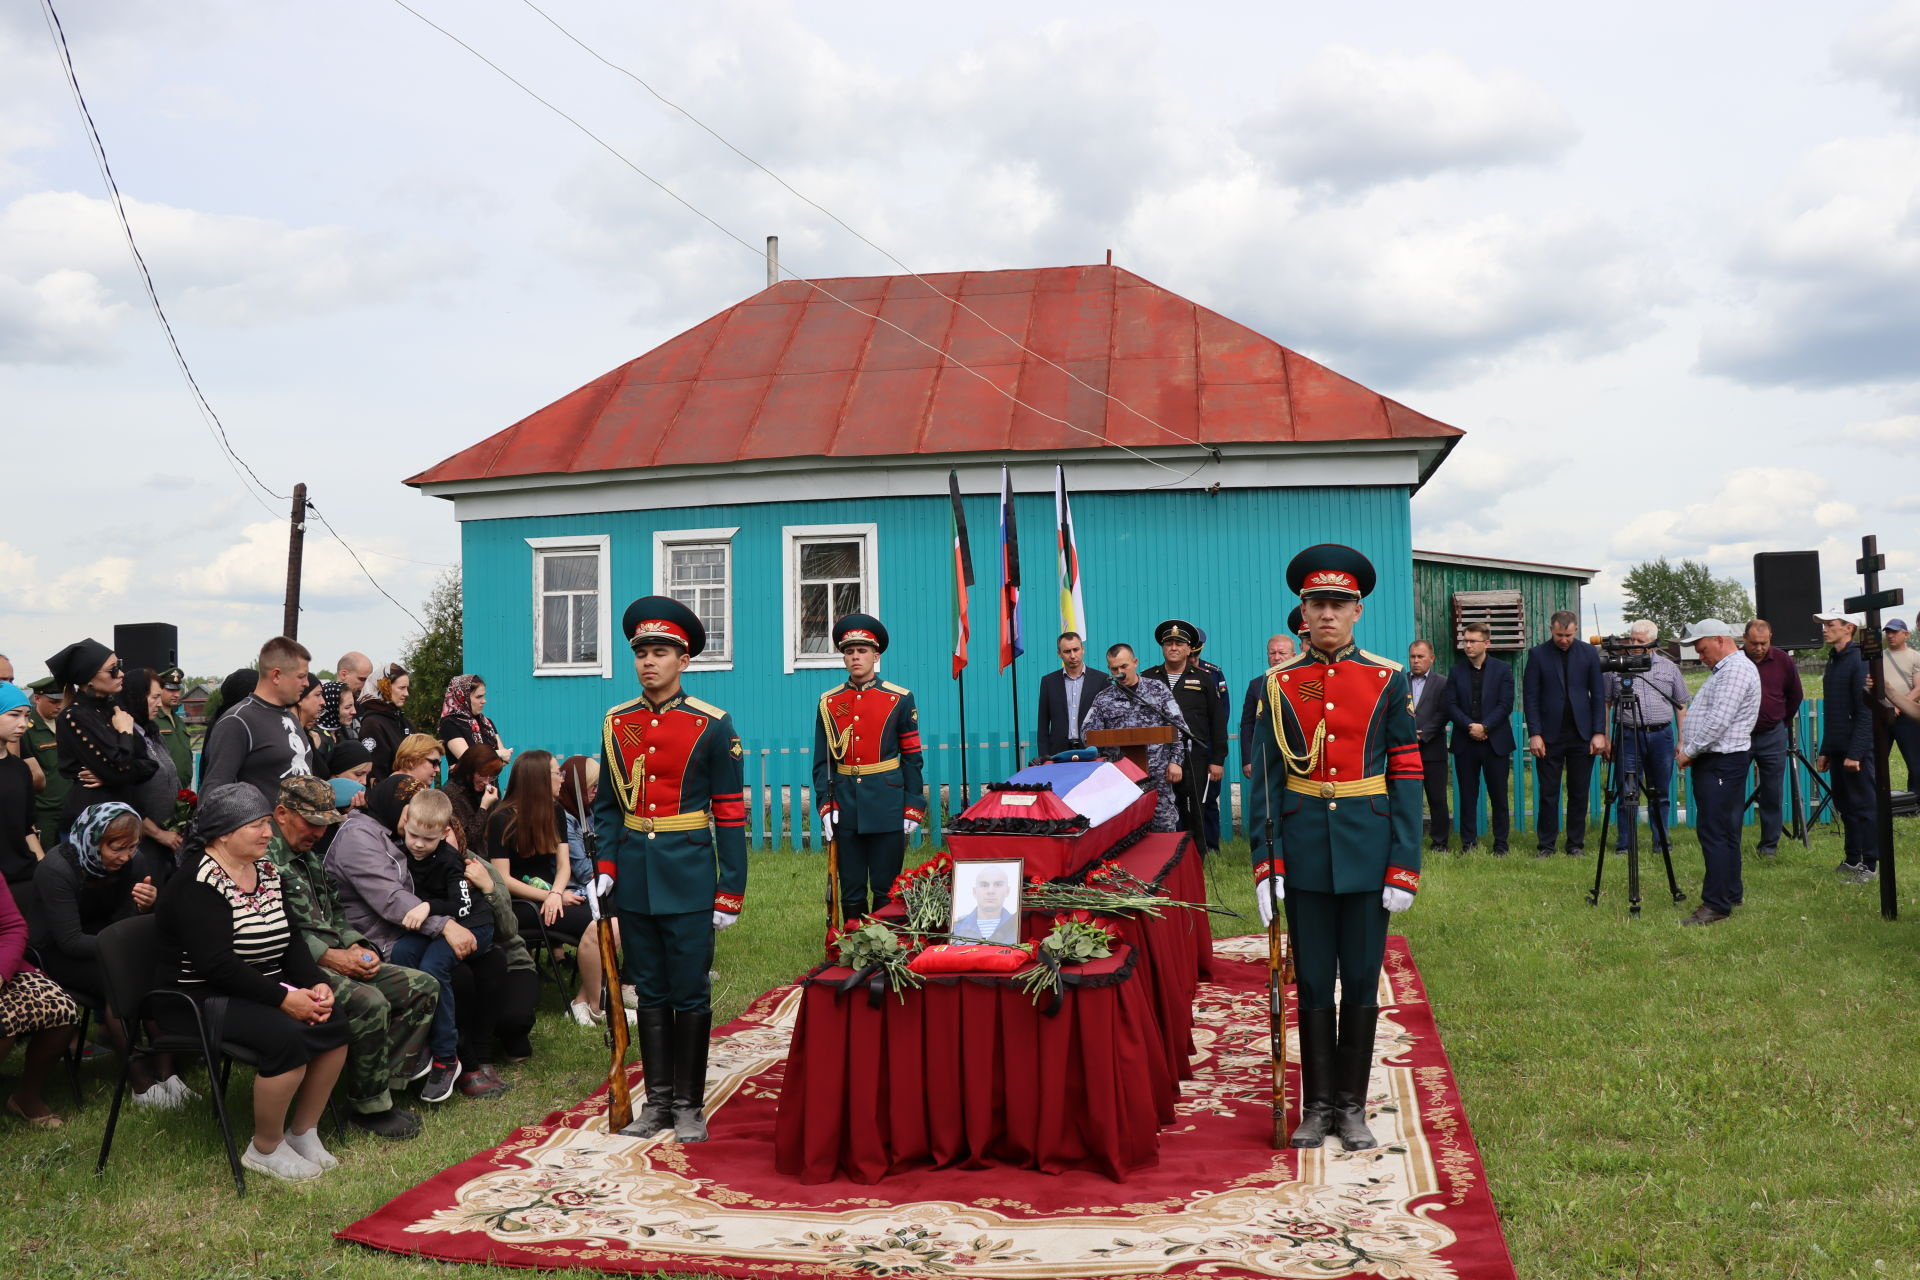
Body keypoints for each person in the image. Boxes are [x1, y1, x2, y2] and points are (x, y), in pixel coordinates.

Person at [1244, 544, 1422, 1152]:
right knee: (1315, 982)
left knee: (1362, 982)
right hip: (1305, 852)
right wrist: (1267, 863)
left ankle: (1351, 1106)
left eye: (1338, 604)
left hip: (1369, 849)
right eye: (1317, 604)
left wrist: (1404, 863)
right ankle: (1316, 1107)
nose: (1327, 614)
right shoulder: (1277, 684)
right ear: (1302, 611)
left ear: (1357, 611)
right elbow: (1266, 781)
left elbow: (1407, 771)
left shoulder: (1387, 678)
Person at [592, 595, 747, 1143]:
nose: (648, 663)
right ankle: (656, 1103)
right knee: (650, 991)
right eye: (641, 653)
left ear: (684, 660)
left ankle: (688, 1105)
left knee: (690, 991)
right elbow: (608, 806)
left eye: (659, 653)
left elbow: (730, 814)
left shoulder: (712, 725)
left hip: (689, 875)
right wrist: (606, 867)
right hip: (635, 874)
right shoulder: (617, 723)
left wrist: (730, 890)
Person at [155, 783, 351, 1179]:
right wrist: (283, 999)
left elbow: (291, 940)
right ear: (223, 833)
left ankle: (303, 1132)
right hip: (199, 999)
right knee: (286, 1036)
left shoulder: (266, 871)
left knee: (334, 1022)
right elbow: (217, 966)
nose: (267, 833)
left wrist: (316, 984)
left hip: (256, 986)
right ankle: (265, 1147)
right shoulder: (197, 882)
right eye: (257, 825)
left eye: (266, 823)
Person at [267, 775, 437, 1135]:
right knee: (369, 1001)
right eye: (312, 822)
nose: (319, 832)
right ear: (282, 814)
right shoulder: (264, 860)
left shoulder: (310, 858)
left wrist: (357, 946)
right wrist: (328, 956)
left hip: (334, 955)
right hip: (292, 968)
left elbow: (337, 913)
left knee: (422, 988)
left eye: (325, 824)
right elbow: (276, 930)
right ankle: (369, 1107)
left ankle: (381, 1088)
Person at [325, 774, 484, 1103]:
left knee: (479, 966)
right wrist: (444, 925)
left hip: (402, 928)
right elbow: (390, 899)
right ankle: (445, 1058)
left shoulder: (390, 832)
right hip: (373, 938)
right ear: (394, 806)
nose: (414, 820)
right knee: (449, 974)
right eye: (409, 811)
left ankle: (462, 1058)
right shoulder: (359, 837)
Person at [32, 801, 189, 1107]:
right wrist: (124, 950)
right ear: (92, 840)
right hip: (58, 953)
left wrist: (147, 906)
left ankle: (167, 1074)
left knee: (153, 971)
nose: (126, 856)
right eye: (116, 848)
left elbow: (129, 920)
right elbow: (70, 941)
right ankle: (141, 1084)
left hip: (107, 941)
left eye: (132, 847)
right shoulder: (57, 869)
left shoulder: (134, 860)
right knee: (120, 980)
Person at [396, 788, 510, 1102]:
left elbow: (461, 907)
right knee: (402, 953)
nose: (418, 844)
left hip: (473, 926)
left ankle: (446, 1057)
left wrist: (427, 906)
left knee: (434, 966)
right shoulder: (399, 853)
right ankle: (418, 1040)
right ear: (405, 823)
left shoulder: (450, 861)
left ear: (444, 833)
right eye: (413, 835)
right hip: (436, 927)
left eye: (428, 839)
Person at [812, 614, 927, 922]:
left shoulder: (899, 699)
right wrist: (826, 805)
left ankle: (884, 942)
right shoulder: (829, 702)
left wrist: (912, 806)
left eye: (862, 651)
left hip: (887, 803)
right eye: (849, 652)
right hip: (845, 803)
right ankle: (852, 941)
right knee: (850, 887)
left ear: (876, 656)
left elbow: (912, 757)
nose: (855, 657)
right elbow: (823, 762)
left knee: (885, 886)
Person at [486, 750, 612, 1029]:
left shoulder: (554, 811)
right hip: (522, 904)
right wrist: (550, 896)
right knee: (597, 925)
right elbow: (503, 879)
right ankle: (597, 1005)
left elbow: (564, 866)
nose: (562, 778)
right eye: (558, 773)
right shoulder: (501, 818)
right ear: (539, 779)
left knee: (612, 919)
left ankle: (584, 1001)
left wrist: (556, 893)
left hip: (553, 897)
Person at [1675, 620, 1763, 925]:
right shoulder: (1727, 669)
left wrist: (1690, 750)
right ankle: (1730, 892)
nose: (1701, 656)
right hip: (1720, 760)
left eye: (1703, 649)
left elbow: (1718, 721)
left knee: (1715, 831)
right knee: (1725, 830)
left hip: (1721, 761)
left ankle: (1716, 904)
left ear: (1719, 639)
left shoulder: (1735, 670)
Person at [48, 638, 157, 838]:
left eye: (120, 666)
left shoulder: (114, 708)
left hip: (124, 818)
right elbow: (120, 766)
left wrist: (110, 777)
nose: (121, 673)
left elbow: (150, 765)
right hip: (90, 824)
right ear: (89, 678)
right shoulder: (74, 716)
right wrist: (125, 732)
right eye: (113, 669)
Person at [1522, 610, 1609, 856]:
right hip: (1549, 736)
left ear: (1576, 630)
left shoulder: (1589, 653)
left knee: (1579, 792)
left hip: (1582, 734)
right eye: (1559, 635)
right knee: (1548, 794)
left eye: (1568, 635)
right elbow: (1530, 697)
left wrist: (1599, 732)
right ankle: (1546, 845)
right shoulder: (1537, 654)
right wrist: (1535, 733)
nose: (1564, 640)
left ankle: (1575, 845)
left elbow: (1598, 695)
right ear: (1551, 629)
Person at [0, 870, 81, 1128]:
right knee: (3, 1023)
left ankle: (26, 1096)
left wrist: (1, 972)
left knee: (62, 1009)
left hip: (4, 966)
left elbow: (12, 928)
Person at [1602, 620, 1691, 856]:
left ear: (1652, 643)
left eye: (1639, 641)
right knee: (1627, 791)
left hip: (1661, 735)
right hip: (1628, 735)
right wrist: (1606, 737)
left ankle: (1661, 842)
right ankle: (1625, 844)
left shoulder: (1669, 668)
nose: (1633, 644)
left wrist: (1682, 739)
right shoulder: (1616, 667)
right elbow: (1605, 704)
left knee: (1660, 792)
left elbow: (1681, 704)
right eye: (1631, 639)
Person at [1080, 642, 1190, 832]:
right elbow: (1087, 735)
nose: (1120, 672)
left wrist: (1176, 762)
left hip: (1158, 777)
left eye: (1124, 666)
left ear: (1135, 662)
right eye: (1114, 669)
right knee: (1123, 833)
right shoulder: (1104, 698)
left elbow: (1180, 729)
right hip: (1119, 780)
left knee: (1163, 831)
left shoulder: (1157, 690)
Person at [199, 637, 314, 809]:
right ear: (276, 675)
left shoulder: (290, 717)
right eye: (301, 676)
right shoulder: (238, 721)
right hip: (265, 825)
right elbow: (214, 793)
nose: (306, 683)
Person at [1141, 619, 1227, 847]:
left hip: (1193, 756)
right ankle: (1162, 856)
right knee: (1157, 810)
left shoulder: (1203, 679)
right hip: (1156, 757)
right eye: (1169, 643)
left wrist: (1217, 759)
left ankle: (1195, 858)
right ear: (1162, 647)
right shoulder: (1147, 678)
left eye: (1179, 644)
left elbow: (1217, 721)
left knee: (1193, 811)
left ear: (1189, 649)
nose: (1174, 648)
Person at [1813, 607, 1878, 882]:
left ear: (1848, 628)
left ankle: (1870, 864)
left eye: (1831, 624)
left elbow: (1865, 711)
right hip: (1839, 747)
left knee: (1864, 806)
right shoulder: (1834, 660)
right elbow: (1834, 711)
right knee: (1846, 806)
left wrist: (1856, 753)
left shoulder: (1859, 660)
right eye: (1824, 624)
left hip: (1856, 750)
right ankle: (1852, 859)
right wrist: (1827, 750)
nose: (1825, 629)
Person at [1447, 622, 1515, 855]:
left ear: (1486, 643)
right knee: (1468, 795)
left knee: (1499, 796)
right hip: (1465, 742)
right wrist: (1470, 726)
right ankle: (1468, 844)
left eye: (1472, 641)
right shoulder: (1456, 671)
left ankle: (1501, 845)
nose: (1467, 645)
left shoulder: (1502, 669)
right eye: (1465, 641)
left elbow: (1505, 704)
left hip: (1495, 742)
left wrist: (1485, 727)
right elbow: (1451, 705)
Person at [117, 668, 185, 883]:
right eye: (154, 697)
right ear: (137, 697)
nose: (159, 704)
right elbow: (126, 797)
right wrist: (158, 834)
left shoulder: (152, 733)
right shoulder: (123, 738)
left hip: (168, 841)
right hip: (142, 843)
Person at [1742, 619, 1803, 858]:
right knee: (1733, 789)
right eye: (1754, 643)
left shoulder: (1783, 660)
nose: (1759, 648)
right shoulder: (1735, 661)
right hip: (1740, 735)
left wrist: (1781, 721)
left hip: (1772, 735)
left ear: (1770, 639)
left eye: (1764, 643)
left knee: (1772, 792)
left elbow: (1795, 695)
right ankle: (1728, 841)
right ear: (1744, 639)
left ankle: (1769, 846)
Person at [0, 683, 44, 920]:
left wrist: (44, 869)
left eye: (26, 716)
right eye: (14, 715)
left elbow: (28, 828)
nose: (23, 723)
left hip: (24, 878)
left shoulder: (20, 769)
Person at [1188, 626, 1233, 848]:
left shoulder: (1213, 673)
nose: (1193, 660)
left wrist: (1216, 751)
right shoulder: (1171, 674)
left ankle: (1211, 847)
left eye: (1196, 656)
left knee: (1209, 799)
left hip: (1208, 745)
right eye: (1190, 656)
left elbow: (1222, 712)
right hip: (1183, 747)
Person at [1035, 631, 1109, 760]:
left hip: (1092, 750)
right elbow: (1043, 722)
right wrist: (1044, 755)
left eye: (1076, 649)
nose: (1073, 655)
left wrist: (1106, 752)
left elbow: (1107, 720)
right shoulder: (1048, 682)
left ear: (1083, 649)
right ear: (1059, 654)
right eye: (1067, 651)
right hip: (1058, 751)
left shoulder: (1101, 679)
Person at [1407, 640, 1451, 850]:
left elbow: (1444, 713)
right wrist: (1406, 732)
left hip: (1433, 750)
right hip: (1405, 750)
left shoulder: (1442, 683)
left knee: (1437, 798)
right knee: (1406, 798)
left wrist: (1423, 734)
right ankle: (1407, 840)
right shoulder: (1400, 681)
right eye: (1413, 656)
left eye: (1420, 656)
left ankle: (1440, 843)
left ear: (1431, 659)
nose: (1416, 661)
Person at [23, 678, 70, 851]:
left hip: (69, 806)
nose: (58, 706)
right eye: (53, 701)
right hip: (44, 812)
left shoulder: (66, 723)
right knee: (46, 857)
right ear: (37, 698)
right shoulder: (27, 730)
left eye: (60, 701)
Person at [1241, 634, 1296, 781]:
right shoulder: (1256, 685)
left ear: (1293, 656)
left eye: (1282, 653)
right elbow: (1247, 724)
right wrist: (1248, 759)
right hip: (1266, 758)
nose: (1276, 657)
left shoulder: (1303, 683)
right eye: (1272, 653)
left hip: (1297, 758)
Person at [1879, 619, 1920, 784]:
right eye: (1888, 632)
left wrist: (1898, 706)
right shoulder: (1879, 657)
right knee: (1877, 762)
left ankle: (1916, 795)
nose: (1890, 635)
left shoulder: (1915, 656)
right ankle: (1878, 796)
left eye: (1895, 632)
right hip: (1882, 716)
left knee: (1915, 763)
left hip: (1907, 717)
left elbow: (1918, 689)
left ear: (1906, 634)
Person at [441, 749, 503, 858]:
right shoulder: (452, 793)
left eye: (492, 776)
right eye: (482, 775)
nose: (487, 781)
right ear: (469, 771)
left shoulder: (488, 791)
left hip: (490, 856)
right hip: (467, 859)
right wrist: (483, 808)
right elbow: (465, 840)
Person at [439, 675, 510, 765]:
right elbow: (467, 759)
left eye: (483, 696)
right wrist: (498, 754)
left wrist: (497, 757)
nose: (484, 701)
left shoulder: (486, 722)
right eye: (478, 697)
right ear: (462, 698)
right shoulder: (449, 723)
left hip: (491, 775)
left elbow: (503, 760)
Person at [358, 664, 411, 781]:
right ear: (384, 687)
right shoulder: (372, 724)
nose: (406, 693)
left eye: (407, 688)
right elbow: (376, 771)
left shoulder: (398, 717)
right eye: (401, 688)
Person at [558, 755, 601, 892]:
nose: (596, 790)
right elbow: (585, 872)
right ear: (576, 786)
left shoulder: (586, 810)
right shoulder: (563, 818)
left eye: (598, 785)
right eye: (592, 785)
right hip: (577, 891)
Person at [951, 863, 1019, 942]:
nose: (991, 891)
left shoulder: (1017, 926)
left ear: (1007, 891)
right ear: (974, 892)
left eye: (998, 885)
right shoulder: (956, 928)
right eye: (984, 885)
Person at [153, 668, 196, 790]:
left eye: (177, 689)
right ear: (159, 690)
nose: (176, 694)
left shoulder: (179, 720)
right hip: (163, 789)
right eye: (171, 690)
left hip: (183, 788)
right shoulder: (152, 720)